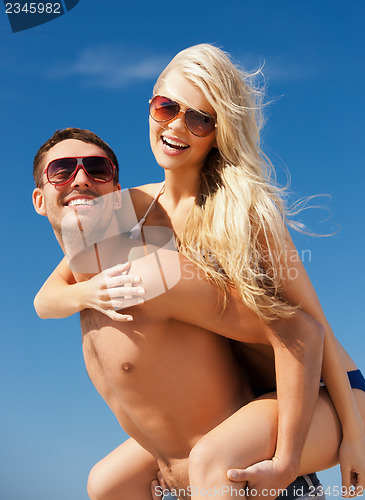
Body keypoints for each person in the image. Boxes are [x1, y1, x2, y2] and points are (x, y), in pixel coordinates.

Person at [31, 44, 365, 500]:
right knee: (106, 484)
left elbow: (312, 326)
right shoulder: (131, 209)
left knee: (215, 459)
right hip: (262, 384)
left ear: (218, 131)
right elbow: (46, 296)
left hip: (328, 384)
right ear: (150, 105)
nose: (175, 126)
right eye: (166, 107)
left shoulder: (243, 212)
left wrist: (354, 434)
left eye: (200, 118)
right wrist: (87, 295)